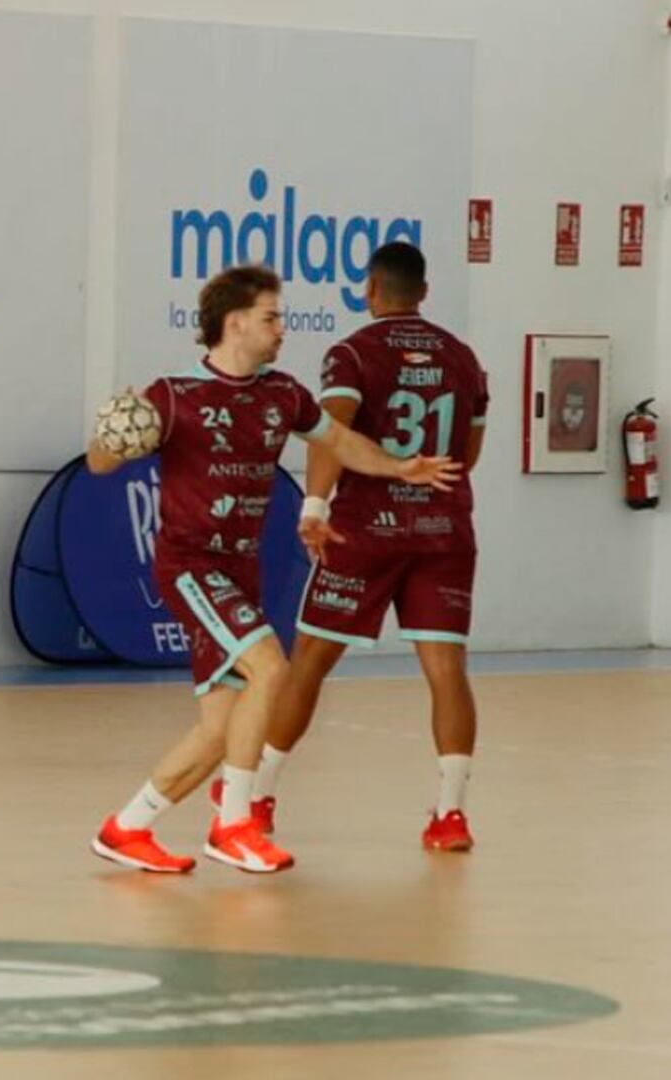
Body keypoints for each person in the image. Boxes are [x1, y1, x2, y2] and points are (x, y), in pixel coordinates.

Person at [87, 264, 461, 874]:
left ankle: (127, 828)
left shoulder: (281, 393)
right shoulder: (173, 395)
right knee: (271, 667)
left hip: (240, 573)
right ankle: (233, 823)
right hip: (191, 564)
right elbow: (101, 465)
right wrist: (115, 432)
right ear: (234, 323)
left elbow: (338, 441)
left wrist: (398, 467)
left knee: (219, 730)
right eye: (271, 317)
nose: (282, 328)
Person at [250, 242, 490, 852]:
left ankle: (258, 801)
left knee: (309, 663)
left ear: (369, 290)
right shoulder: (463, 359)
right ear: (425, 292)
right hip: (444, 530)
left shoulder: (354, 352)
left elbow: (332, 431)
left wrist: (315, 505)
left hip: (367, 529)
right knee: (446, 670)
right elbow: (468, 456)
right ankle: (450, 815)